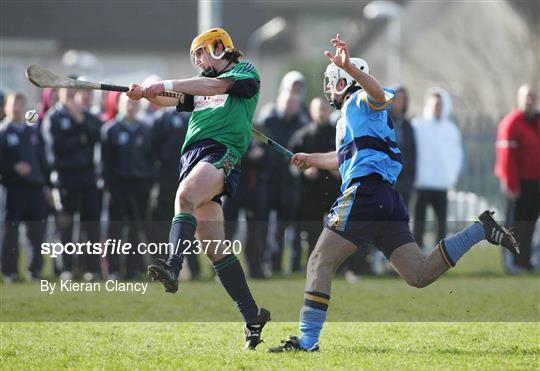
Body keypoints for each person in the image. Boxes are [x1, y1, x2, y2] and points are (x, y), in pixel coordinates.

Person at [268, 34, 520, 353]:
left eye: (332, 82)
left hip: (364, 194)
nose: (328, 89)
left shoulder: (360, 100)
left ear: (343, 82)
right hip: (386, 199)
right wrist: (311, 158)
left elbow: (379, 94)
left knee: (319, 260)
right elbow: (344, 157)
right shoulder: (352, 119)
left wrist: (351, 69)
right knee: (418, 274)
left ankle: (307, 341)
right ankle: (479, 230)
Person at [126, 28, 270, 349]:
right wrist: (145, 93)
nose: (198, 60)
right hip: (192, 157)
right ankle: (252, 316)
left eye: (202, 52)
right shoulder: (202, 87)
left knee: (184, 197)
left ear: (220, 47)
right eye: (195, 56)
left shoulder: (242, 73)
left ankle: (173, 265)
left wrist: (163, 84)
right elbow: (171, 99)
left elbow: (215, 85)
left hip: (221, 151)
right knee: (214, 248)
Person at [43, 86, 102, 280]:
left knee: (90, 224)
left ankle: (90, 268)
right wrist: (80, 139)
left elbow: (95, 136)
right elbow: (56, 146)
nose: (71, 95)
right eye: (67, 90)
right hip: (65, 177)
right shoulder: (54, 117)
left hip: (88, 176)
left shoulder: (87, 116)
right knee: (66, 225)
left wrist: (79, 121)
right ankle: (66, 267)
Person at [101, 94, 153, 279]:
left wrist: (148, 181)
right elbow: (104, 163)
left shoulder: (145, 129)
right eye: (127, 103)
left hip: (140, 186)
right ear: (119, 105)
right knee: (114, 229)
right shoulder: (110, 129)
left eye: (134, 103)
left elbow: (150, 159)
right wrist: (109, 185)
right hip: (117, 187)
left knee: (134, 229)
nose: (130, 106)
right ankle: (114, 269)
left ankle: (133, 269)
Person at [0, 92, 50, 281]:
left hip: (35, 188)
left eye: (21, 104)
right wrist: (13, 167)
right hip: (12, 188)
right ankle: (10, 271)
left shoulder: (32, 131)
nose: (17, 108)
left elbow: (43, 161)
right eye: (14, 104)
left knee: (36, 232)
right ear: (6, 107)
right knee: (10, 232)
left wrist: (47, 186)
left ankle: (34, 269)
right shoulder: (3, 132)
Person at [257, 90, 307, 273]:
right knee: (263, 226)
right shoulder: (268, 122)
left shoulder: (302, 124)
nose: (289, 106)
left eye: (293, 103)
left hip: (289, 184)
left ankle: (281, 264)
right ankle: (264, 261)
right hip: (268, 181)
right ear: (279, 103)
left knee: (284, 227)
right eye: (286, 102)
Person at [150, 108, 200, 278]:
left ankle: (194, 268)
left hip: (186, 179)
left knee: (187, 223)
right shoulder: (162, 118)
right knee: (165, 224)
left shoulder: (191, 117)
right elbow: (153, 148)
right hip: (166, 181)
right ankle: (162, 265)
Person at [495, 84, 540, 272]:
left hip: (536, 182)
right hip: (518, 183)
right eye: (525, 96)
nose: (529, 100)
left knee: (530, 224)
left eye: (532, 96)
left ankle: (525, 261)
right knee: (515, 225)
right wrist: (510, 184)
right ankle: (511, 262)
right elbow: (506, 158)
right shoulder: (511, 122)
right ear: (518, 99)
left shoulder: (537, 120)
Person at [412, 88, 463, 248]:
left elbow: (457, 155)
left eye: (440, 105)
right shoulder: (418, 126)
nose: (437, 108)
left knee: (441, 222)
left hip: (442, 184)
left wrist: (451, 176)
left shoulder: (451, 129)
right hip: (422, 183)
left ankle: (439, 253)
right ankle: (417, 250)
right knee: (419, 221)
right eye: (434, 104)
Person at [289, 97, 340, 254]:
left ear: (330, 110)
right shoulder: (302, 136)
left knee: (338, 231)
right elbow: (291, 165)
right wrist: (303, 171)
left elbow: (350, 158)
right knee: (312, 233)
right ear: (311, 112)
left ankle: (342, 266)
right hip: (311, 194)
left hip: (335, 193)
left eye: (324, 109)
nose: (321, 112)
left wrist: (339, 170)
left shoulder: (339, 133)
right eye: (318, 109)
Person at [389, 86, 416, 207]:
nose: (399, 102)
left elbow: (412, 152)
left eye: (402, 99)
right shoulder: (383, 121)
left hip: (405, 180)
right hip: (388, 179)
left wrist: (410, 178)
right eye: (397, 98)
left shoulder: (408, 125)